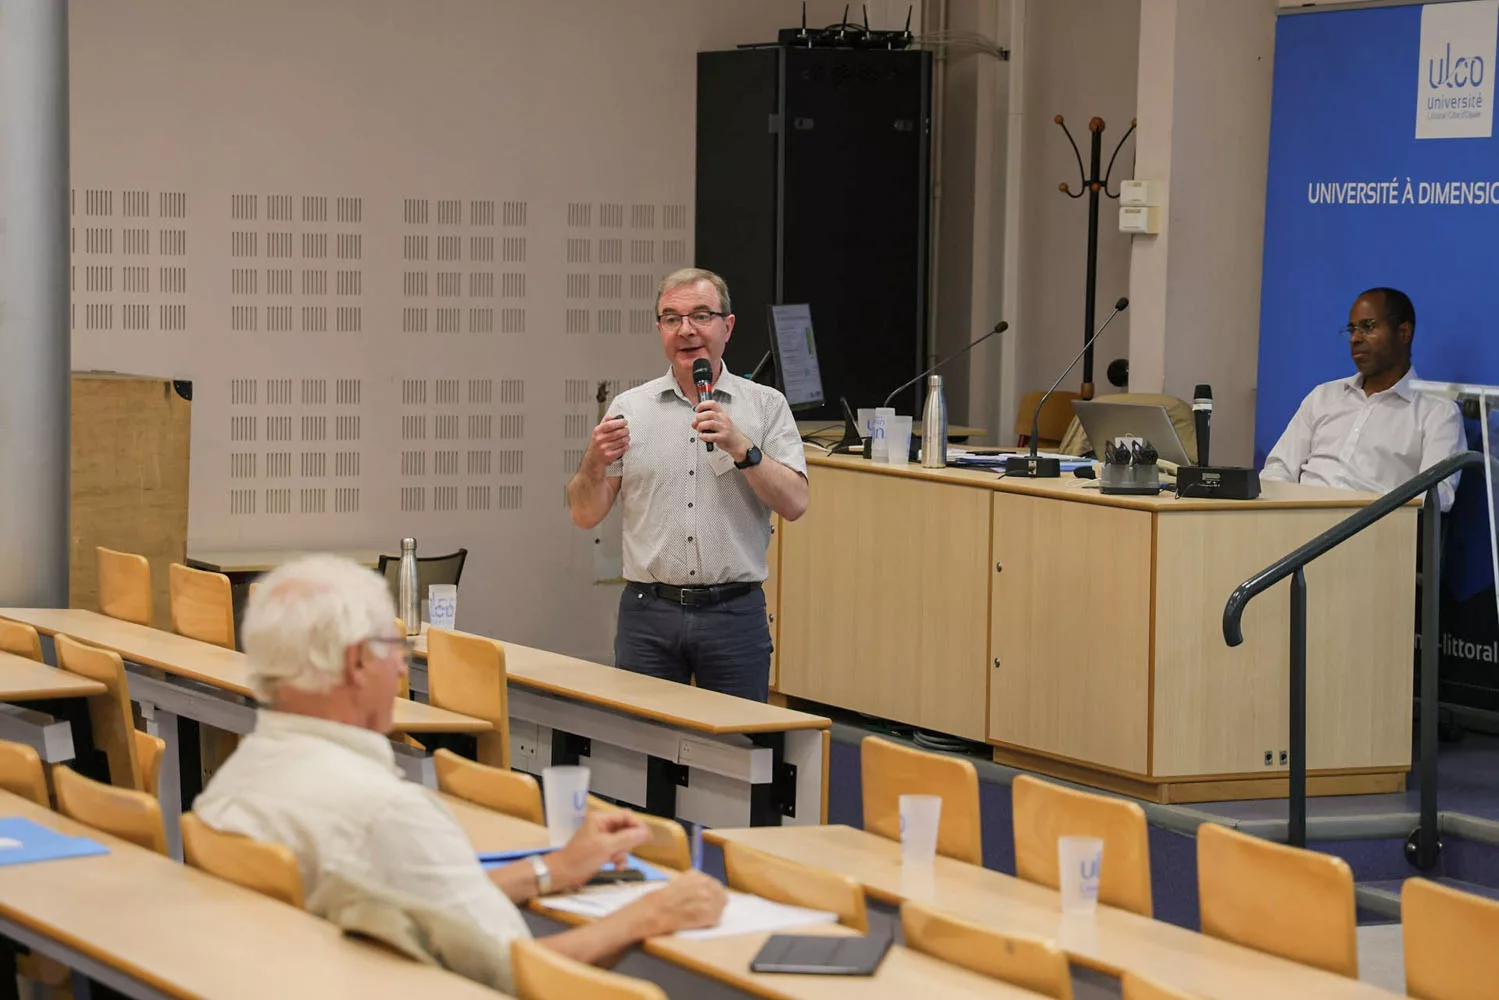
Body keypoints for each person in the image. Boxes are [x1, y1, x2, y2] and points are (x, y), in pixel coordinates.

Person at [193, 555, 726, 974]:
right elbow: (517, 974)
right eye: (392, 646)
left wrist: (551, 870)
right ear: (358, 663)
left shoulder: (237, 777)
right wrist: (651, 915)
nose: (401, 663)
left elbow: (416, 903)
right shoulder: (385, 812)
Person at [567, 267, 809, 702]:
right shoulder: (630, 408)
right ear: (659, 328)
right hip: (648, 615)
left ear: (727, 325)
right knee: (643, 749)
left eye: (701, 315)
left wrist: (742, 447)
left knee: (741, 749)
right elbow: (584, 514)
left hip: (733, 613)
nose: (686, 330)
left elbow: (795, 502)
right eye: (672, 318)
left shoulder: (766, 407)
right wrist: (593, 461)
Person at [1262, 287, 1465, 511]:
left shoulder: (1437, 412)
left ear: (1404, 333)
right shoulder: (1323, 396)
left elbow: (1438, 497)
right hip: (1297, 524)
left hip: (1375, 529)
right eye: (1352, 330)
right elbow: (1278, 468)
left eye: (1368, 327)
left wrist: (1370, 506)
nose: (1356, 339)